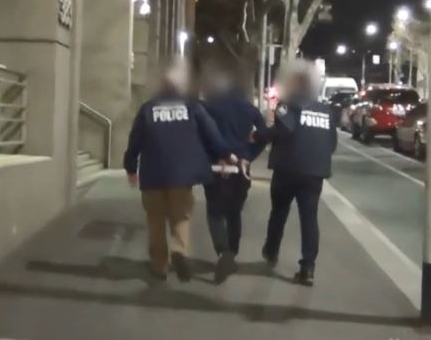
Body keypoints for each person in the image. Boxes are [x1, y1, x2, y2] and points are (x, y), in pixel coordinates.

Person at [124, 59, 237, 283]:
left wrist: (130, 167)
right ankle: (180, 251)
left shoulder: (148, 108)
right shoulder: (193, 107)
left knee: (155, 219)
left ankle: (160, 266)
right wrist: (227, 155)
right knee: (181, 217)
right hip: (182, 175)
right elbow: (212, 134)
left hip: (153, 174)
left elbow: (134, 141)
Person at [255, 60, 337, 286]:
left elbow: (282, 131)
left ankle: (271, 251)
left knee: (279, 211)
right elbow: (331, 143)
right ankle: (308, 267)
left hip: (288, 169)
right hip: (315, 172)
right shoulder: (325, 111)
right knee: (309, 219)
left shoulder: (288, 105)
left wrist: (258, 136)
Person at [201, 68, 268, 283]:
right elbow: (264, 135)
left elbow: (201, 135)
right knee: (234, 213)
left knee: (214, 213)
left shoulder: (208, 107)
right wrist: (248, 156)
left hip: (216, 168)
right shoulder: (250, 109)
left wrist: (213, 156)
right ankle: (233, 253)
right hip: (241, 168)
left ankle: (224, 253)